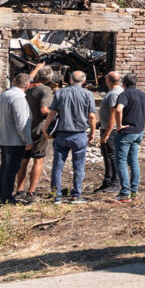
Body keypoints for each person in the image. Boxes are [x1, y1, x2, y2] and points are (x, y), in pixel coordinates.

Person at [42, 70, 97, 204]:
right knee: (78, 167)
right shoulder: (88, 94)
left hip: (61, 134)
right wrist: (92, 133)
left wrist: (45, 129)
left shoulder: (60, 93)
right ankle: (76, 195)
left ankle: (57, 195)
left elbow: (52, 113)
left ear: (70, 80)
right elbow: (91, 116)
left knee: (58, 166)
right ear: (84, 81)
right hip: (79, 134)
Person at [108, 73, 145, 202]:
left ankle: (124, 193)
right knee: (133, 161)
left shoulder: (124, 94)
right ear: (136, 83)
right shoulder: (142, 95)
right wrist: (144, 123)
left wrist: (119, 125)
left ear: (124, 83)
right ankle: (134, 190)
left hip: (126, 133)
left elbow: (118, 109)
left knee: (121, 162)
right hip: (138, 132)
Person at [13, 64, 54, 204]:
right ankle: (31, 191)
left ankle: (19, 190)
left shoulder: (26, 87)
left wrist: (37, 68)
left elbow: (29, 78)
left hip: (25, 128)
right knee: (38, 159)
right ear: (49, 78)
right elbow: (44, 109)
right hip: (39, 129)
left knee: (23, 161)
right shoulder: (46, 90)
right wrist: (55, 113)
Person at [0, 73, 34, 204]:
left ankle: (1, 192)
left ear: (13, 81)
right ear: (27, 85)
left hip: (4, 136)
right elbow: (22, 122)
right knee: (11, 169)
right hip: (15, 139)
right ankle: (6, 197)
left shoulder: (3, 95)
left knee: (5, 166)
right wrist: (27, 140)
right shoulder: (19, 98)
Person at [95, 71, 123, 193]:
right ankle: (108, 181)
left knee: (112, 156)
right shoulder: (114, 92)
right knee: (107, 155)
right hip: (107, 127)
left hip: (111, 130)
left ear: (107, 80)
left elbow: (113, 114)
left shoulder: (114, 94)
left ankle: (115, 183)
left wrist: (106, 133)